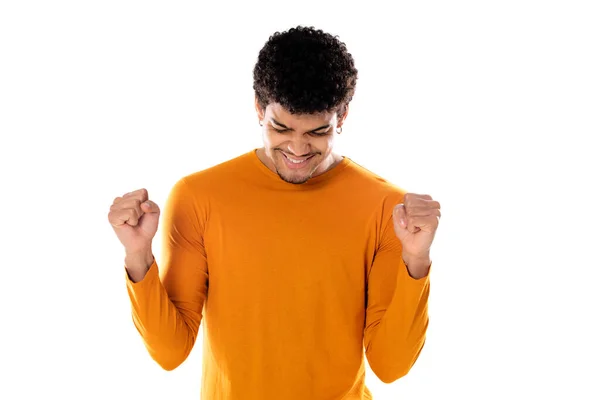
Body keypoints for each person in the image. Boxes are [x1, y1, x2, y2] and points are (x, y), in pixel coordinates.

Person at [108, 25, 441, 400]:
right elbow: (169, 352)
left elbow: (391, 366)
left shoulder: (386, 209)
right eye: (281, 128)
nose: (297, 149)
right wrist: (137, 255)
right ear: (258, 108)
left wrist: (416, 259)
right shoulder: (198, 197)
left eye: (317, 132)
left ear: (342, 116)